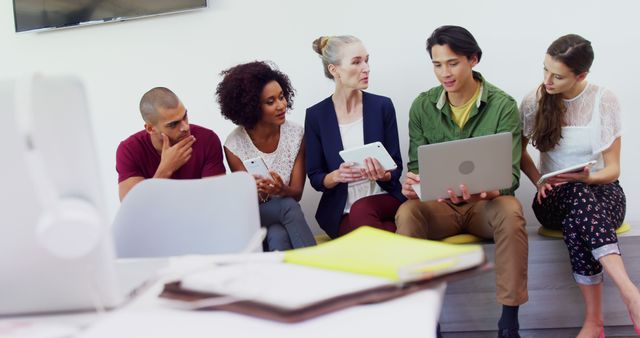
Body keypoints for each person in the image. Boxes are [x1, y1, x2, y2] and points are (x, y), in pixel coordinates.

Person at [394, 26, 527, 338]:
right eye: (437, 64)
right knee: (407, 212)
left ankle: (509, 321)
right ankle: (423, 321)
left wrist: (490, 189)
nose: (445, 73)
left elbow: (510, 176)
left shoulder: (502, 105)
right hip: (441, 207)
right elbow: (417, 166)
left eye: (452, 63)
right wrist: (412, 186)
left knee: (510, 210)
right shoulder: (422, 106)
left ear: (473, 59)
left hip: (484, 206)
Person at [520, 34, 640, 338]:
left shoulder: (604, 99)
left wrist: (586, 178)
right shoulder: (534, 101)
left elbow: (613, 169)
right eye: (545, 70)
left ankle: (595, 323)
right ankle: (630, 293)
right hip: (552, 197)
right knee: (574, 195)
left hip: (602, 191)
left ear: (582, 75)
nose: (547, 80)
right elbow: (517, 151)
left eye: (557, 76)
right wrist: (539, 182)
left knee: (579, 213)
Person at [305, 35, 406, 239]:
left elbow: (396, 166)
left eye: (367, 60)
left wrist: (383, 174)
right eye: (357, 62)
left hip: (383, 200)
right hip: (341, 211)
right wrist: (336, 176)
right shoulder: (316, 116)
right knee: (363, 220)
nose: (366, 68)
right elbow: (315, 176)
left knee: (362, 212)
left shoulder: (382, 107)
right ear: (334, 70)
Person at [216, 61, 316, 251]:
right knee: (286, 207)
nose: (281, 105)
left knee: (277, 234)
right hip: (254, 214)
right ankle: (317, 266)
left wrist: (281, 189)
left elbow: (297, 193)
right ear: (252, 106)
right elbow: (247, 202)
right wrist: (259, 190)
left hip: (283, 211)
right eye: (271, 102)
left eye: (282, 97)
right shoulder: (234, 144)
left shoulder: (296, 134)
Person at [116, 87, 225, 200]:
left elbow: (216, 199)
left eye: (185, 117)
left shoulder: (207, 139)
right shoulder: (129, 150)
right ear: (150, 128)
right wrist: (165, 170)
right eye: (173, 124)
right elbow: (132, 208)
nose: (185, 127)